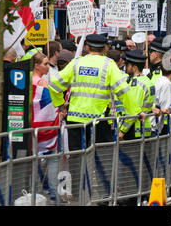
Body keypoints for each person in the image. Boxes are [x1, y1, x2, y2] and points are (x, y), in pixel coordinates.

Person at [48, 34, 145, 151]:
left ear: (87, 47)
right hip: (99, 121)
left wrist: (60, 104)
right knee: (100, 162)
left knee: (77, 159)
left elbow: (54, 85)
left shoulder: (76, 63)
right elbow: (123, 90)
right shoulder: (108, 65)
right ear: (105, 48)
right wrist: (135, 111)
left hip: (75, 120)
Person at [31, 52, 61, 204]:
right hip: (45, 129)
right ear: (36, 65)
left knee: (34, 161)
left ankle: (35, 193)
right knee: (53, 159)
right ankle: (54, 195)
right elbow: (50, 107)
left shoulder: (28, 79)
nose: (48, 66)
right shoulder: (41, 83)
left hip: (33, 130)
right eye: (45, 64)